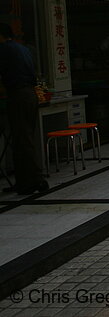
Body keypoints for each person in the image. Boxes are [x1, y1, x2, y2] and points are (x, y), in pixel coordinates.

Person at [0, 23, 48, 194]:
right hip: (30, 95)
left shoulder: (5, 49)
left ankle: (32, 181)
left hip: (18, 95)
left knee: (22, 140)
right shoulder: (24, 49)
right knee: (26, 138)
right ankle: (28, 180)